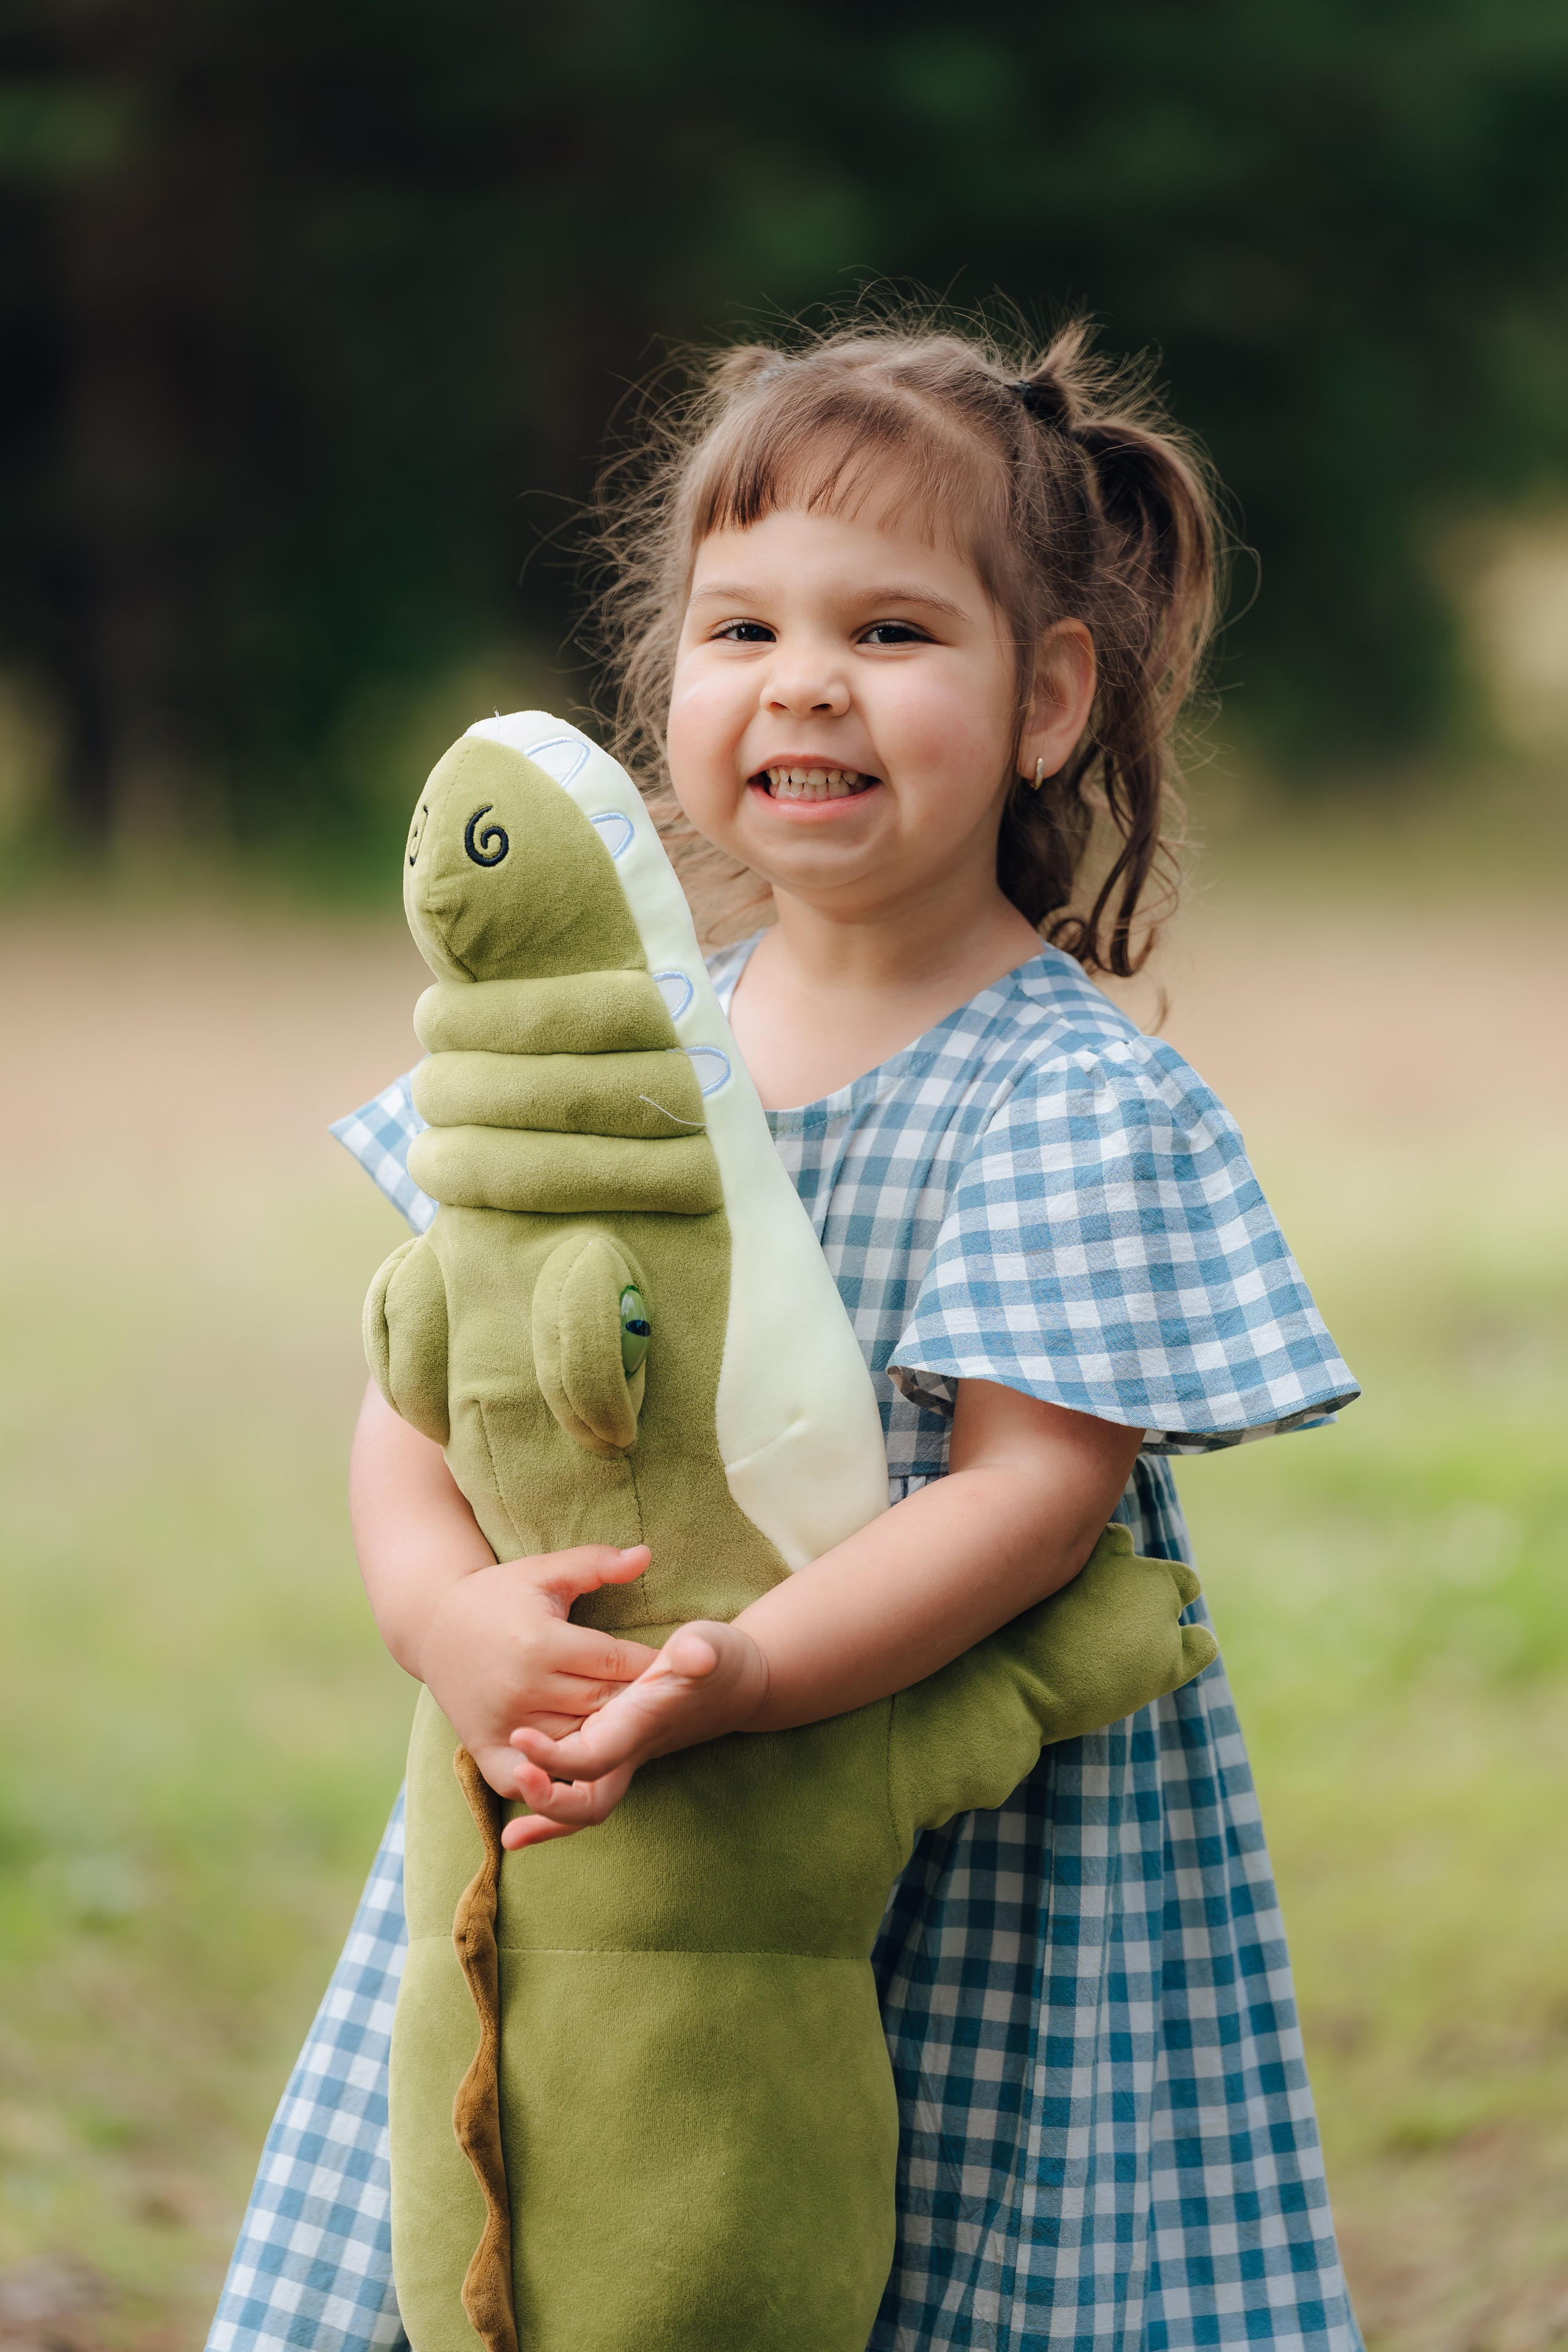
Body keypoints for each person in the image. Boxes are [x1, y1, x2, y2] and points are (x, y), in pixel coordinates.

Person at [208, 314, 1363, 2352]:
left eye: (896, 631)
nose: (804, 681)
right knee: (560, 2219)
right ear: (669, 690)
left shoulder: (1062, 1095)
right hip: (596, 1820)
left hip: (963, 1847)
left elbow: (1029, 1497)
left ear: (1048, 702)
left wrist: (744, 1678)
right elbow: (425, 1382)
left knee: (958, 2255)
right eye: (739, 630)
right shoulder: (609, 1055)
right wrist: (445, 1618)